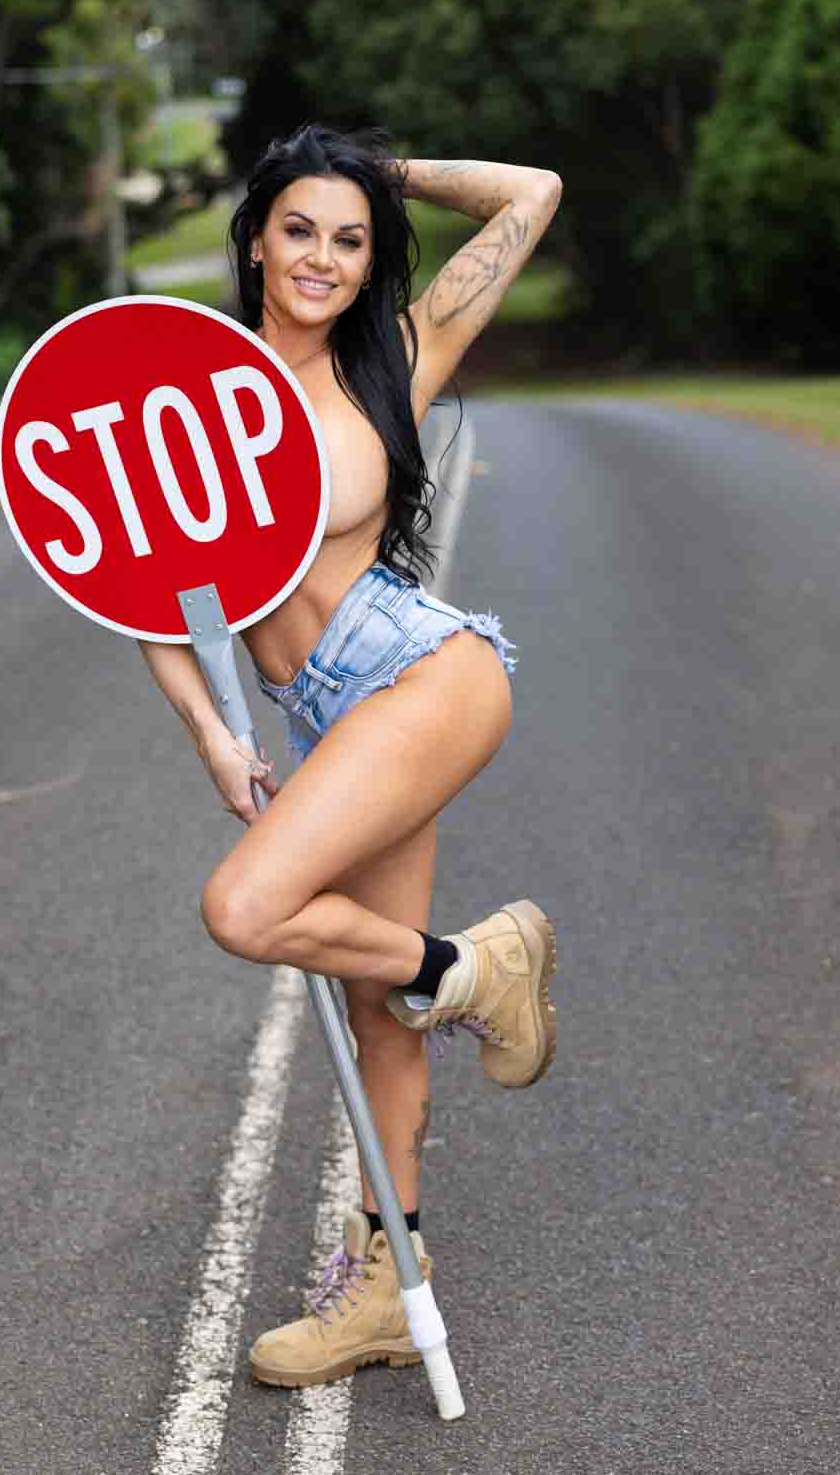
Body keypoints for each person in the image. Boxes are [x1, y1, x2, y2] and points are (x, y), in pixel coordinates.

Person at [137, 123, 562, 1388]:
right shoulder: (198, 395)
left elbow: (530, 194)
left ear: (368, 256)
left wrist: (388, 169)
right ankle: (389, 1283)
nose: (321, 258)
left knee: (246, 905)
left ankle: (476, 966)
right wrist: (215, 734)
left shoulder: (395, 359)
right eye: (299, 229)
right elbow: (143, 593)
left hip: (425, 671)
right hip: (323, 713)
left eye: (348, 236)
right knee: (374, 1012)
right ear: (255, 239)